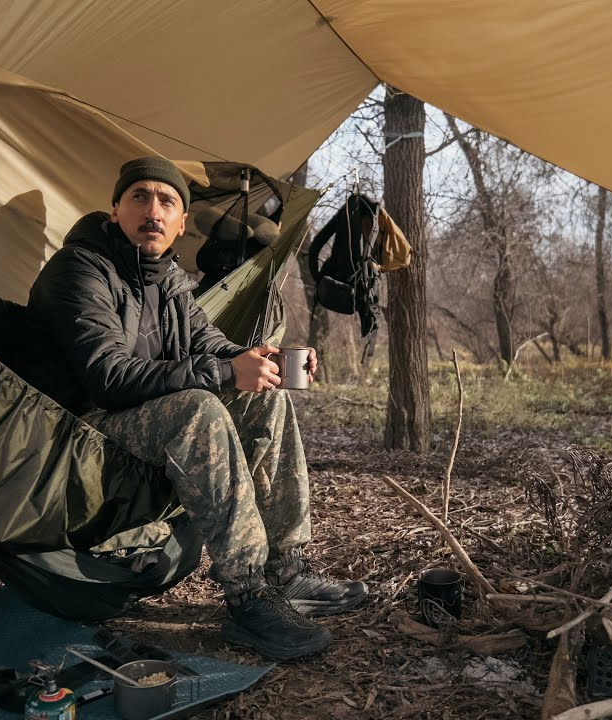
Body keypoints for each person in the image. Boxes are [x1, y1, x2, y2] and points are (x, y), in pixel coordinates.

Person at [27, 156, 368, 661]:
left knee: (266, 399)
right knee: (198, 409)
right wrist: (226, 372)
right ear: (115, 208)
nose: (153, 211)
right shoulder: (80, 270)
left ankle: (287, 571)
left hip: (136, 415)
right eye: (140, 196)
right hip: (79, 429)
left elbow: (211, 345)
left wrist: (259, 360)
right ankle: (247, 595)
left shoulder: (168, 281)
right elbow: (108, 378)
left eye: (167, 202)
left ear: (181, 223)